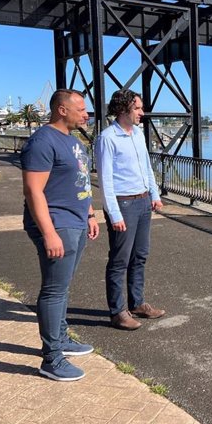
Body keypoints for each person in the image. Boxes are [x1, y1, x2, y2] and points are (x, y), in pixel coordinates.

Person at [22, 89, 99, 382]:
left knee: (63, 285)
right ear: (62, 110)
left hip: (76, 221)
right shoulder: (42, 141)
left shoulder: (73, 142)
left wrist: (90, 214)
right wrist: (49, 233)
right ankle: (52, 358)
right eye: (81, 109)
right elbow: (33, 191)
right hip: (57, 224)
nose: (86, 114)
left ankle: (62, 338)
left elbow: (79, 181)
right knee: (54, 289)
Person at [95, 89, 165, 331]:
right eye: (138, 108)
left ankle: (137, 304)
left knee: (140, 255)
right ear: (124, 109)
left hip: (143, 201)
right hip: (124, 203)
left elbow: (146, 167)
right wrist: (113, 214)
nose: (142, 113)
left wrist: (154, 195)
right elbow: (105, 180)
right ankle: (117, 312)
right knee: (119, 259)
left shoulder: (137, 134)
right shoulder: (107, 138)